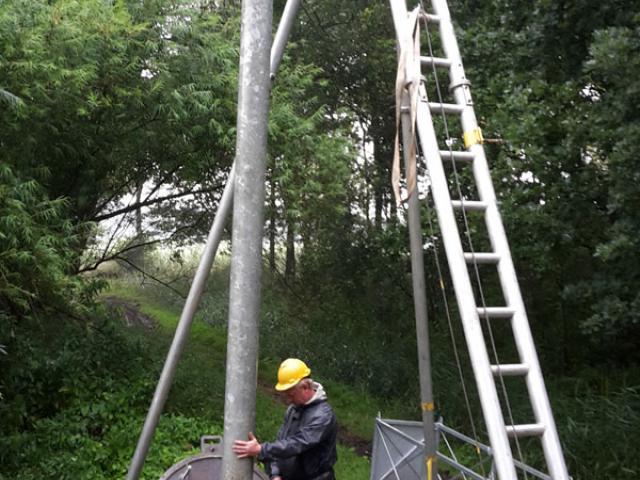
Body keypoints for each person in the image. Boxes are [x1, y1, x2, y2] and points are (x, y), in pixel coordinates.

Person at [233, 358, 338, 480]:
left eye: (291, 395)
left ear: (305, 387)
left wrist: (261, 449)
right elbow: (281, 442)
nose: (288, 400)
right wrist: (275, 474)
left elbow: (297, 444)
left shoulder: (323, 416)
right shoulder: (293, 409)